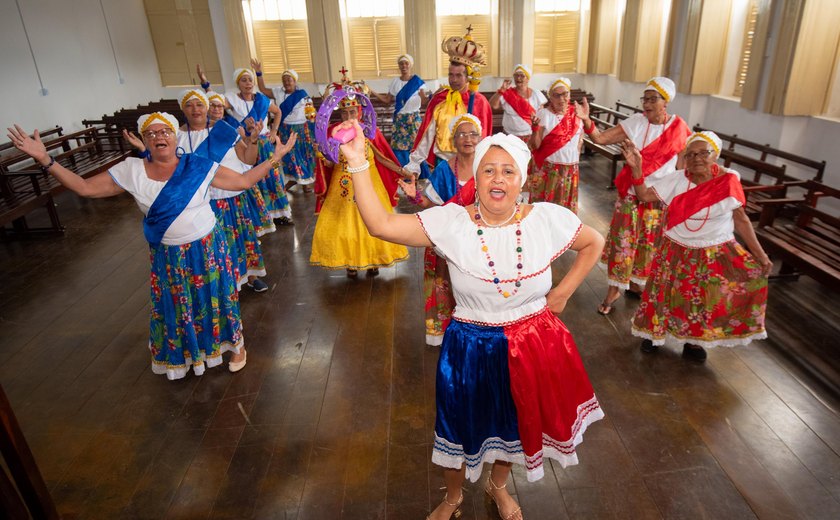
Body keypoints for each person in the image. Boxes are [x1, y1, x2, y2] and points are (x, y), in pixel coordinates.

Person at [340, 119, 605, 520]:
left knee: (516, 423)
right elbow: (382, 225)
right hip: (471, 344)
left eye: (508, 170)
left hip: (533, 341)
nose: (498, 178)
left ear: (522, 180)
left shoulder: (547, 219)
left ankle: (498, 486)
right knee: (459, 427)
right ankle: (453, 496)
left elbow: (593, 242)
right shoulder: (452, 223)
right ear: (476, 177)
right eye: (489, 169)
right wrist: (359, 162)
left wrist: (563, 293)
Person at [7, 113, 295, 379]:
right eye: (152, 133)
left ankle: (236, 346)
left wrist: (275, 159)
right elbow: (84, 188)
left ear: (174, 136)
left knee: (217, 297)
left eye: (166, 131)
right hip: (168, 254)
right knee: (179, 302)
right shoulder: (131, 170)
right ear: (144, 141)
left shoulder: (198, 165)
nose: (160, 136)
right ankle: (191, 353)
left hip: (207, 247)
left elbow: (243, 181)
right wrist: (46, 159)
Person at [623, 131, 772, 362]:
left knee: (703, 299)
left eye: (704, 152)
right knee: (663, 294)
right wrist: (637, 168)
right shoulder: (676, 180)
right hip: (676, 248)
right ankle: (653, 333)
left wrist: (760, 255)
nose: (697, 158)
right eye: (690, 154)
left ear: (716, 155)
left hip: (712, 250)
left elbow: (741, 219)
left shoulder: (729, 180)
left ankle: (694, 342)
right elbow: (643, 196)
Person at [577, 77, 690, 315]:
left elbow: (682, 172)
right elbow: (599, 138)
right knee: (623, 243)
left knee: (650, 246)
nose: (646, 104)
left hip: (658, 200)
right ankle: (614, 289)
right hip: (631, 196)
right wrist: (587, 120)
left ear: (665, 101)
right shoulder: (636, 123)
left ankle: (640, 284)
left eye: (652, 99)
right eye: (645, 99)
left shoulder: (680, 130)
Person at [397, 114, 481, 346]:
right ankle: (445, 333)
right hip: (446, 238)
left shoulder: (487, 167)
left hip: (479, 240)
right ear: (453, 140)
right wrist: (415, 197)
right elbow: (432, 205)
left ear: (481, 137)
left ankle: (475, 332)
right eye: (462, 134)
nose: (468, 139)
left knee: (475, 288)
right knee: (443, 285)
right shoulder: (444, 169)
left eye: (473, 133)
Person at [309, 86, 409, 277]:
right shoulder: (332, 133)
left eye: (352, 112)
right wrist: (321, 155)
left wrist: (402, 171)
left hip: (370, 182)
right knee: (344, 224)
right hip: (343, 186)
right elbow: (330, 163)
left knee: (374, 219)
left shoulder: (368, 132)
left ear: (360, 111)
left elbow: (382, 157)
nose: (348, 116)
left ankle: (374, 260)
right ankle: (350, 262)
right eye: (344, 112)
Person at [197, 65, 293, 225]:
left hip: (263, 142)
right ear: (238, 83)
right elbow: (215, 102)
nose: (248, 83)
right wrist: (205, 83)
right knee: (251, 180)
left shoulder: (262, 99)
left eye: (250, 80)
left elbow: (278, 112)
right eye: (243, 80)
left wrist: (274, 131)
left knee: (271, 177)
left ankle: (279, 213)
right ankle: (261, 217)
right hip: (244, 145)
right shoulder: (232, 99)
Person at [405, 28, 493, 179]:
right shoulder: (440, 99)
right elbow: (427, 134)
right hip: (442, 165)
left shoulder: (480, 102)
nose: (454, 80)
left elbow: (484, 138)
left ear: (468, 77)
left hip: (470, 165)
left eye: (459, 75)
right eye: (451, 75)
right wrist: (414, 164)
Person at [207, 90, 276, 238]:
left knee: (273, 174)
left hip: (241, 173)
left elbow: (245, 154)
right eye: (213, 106)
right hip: (218, 184)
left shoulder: (230, 126)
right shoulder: (200, 132)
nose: (217, 109)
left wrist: (249, 136)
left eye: (220, 106)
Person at [252, 61, 317, 192]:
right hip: (286, 129)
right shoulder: (278, 92)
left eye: (289, 80)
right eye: (284, 80)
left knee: (303, 155)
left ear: (295, 81)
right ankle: (293, 179)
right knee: (289, 156)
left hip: (301, 130)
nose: (287, 82)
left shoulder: (303, 95)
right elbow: (263, 89)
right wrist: (258, 73)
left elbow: (311, 115)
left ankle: (305, 183)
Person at [529, 77, 584, 212]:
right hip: (550, 170)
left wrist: (575, 155)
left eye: (565, 94)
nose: (561, 99)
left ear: (569, 94)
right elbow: (535, 146)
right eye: (557, 95)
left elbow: (580, 138)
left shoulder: (577, 113)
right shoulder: (544, 114)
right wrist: (535, 129)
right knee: (547, 209)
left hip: (570, 170)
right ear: (550, 98)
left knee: (565, 210)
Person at [369, 54, 427, 166]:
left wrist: (433, 98)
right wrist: (372, 92)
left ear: (410, 65)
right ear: (399, 66)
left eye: (406, 63)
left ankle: (419, 173)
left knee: (416, 147)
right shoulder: (395, 81)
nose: (404, 66)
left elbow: (424, 100)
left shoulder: (417, 81)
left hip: (414, 119)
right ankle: (402, 171)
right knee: (399, 148)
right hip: (400, 119)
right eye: (401, 63)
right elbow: (387, 100)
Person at [489, 64, 546, 144]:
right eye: (516, 75)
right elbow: (493, 106)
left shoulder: (536, 94)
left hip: (529, 137)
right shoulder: (507, 93)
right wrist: (502, 89)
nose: (518, 78)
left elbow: (541, 116)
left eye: (522, 76)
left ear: (527, 79)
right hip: (509, 137)